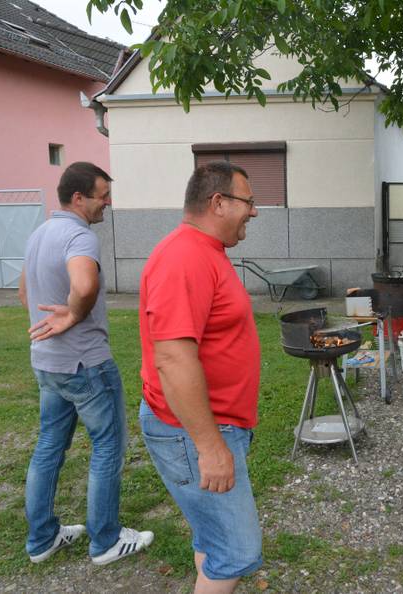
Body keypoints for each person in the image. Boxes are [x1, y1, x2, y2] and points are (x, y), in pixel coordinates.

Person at [19, 162, 153, 565]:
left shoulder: (39, 234)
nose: (107, 203)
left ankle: (42, 539)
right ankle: (106, 541)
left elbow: (25, 293)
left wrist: (53, 321)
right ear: (78, 198)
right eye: (102, 196)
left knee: (48, 446)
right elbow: (84, 284)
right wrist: (75, 314)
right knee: (108, 446)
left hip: (48, 364)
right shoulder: (79, 236)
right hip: (86, 365)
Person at [139, 161, 262, 592]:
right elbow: (172, 358)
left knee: (214, 539)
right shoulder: (185, 257)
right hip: (193, 432)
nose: (254, 211)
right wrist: (210, 447)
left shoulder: (206, 251)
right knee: (237, 549)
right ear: (218, 202)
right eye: (248, 201)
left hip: (210, 426)